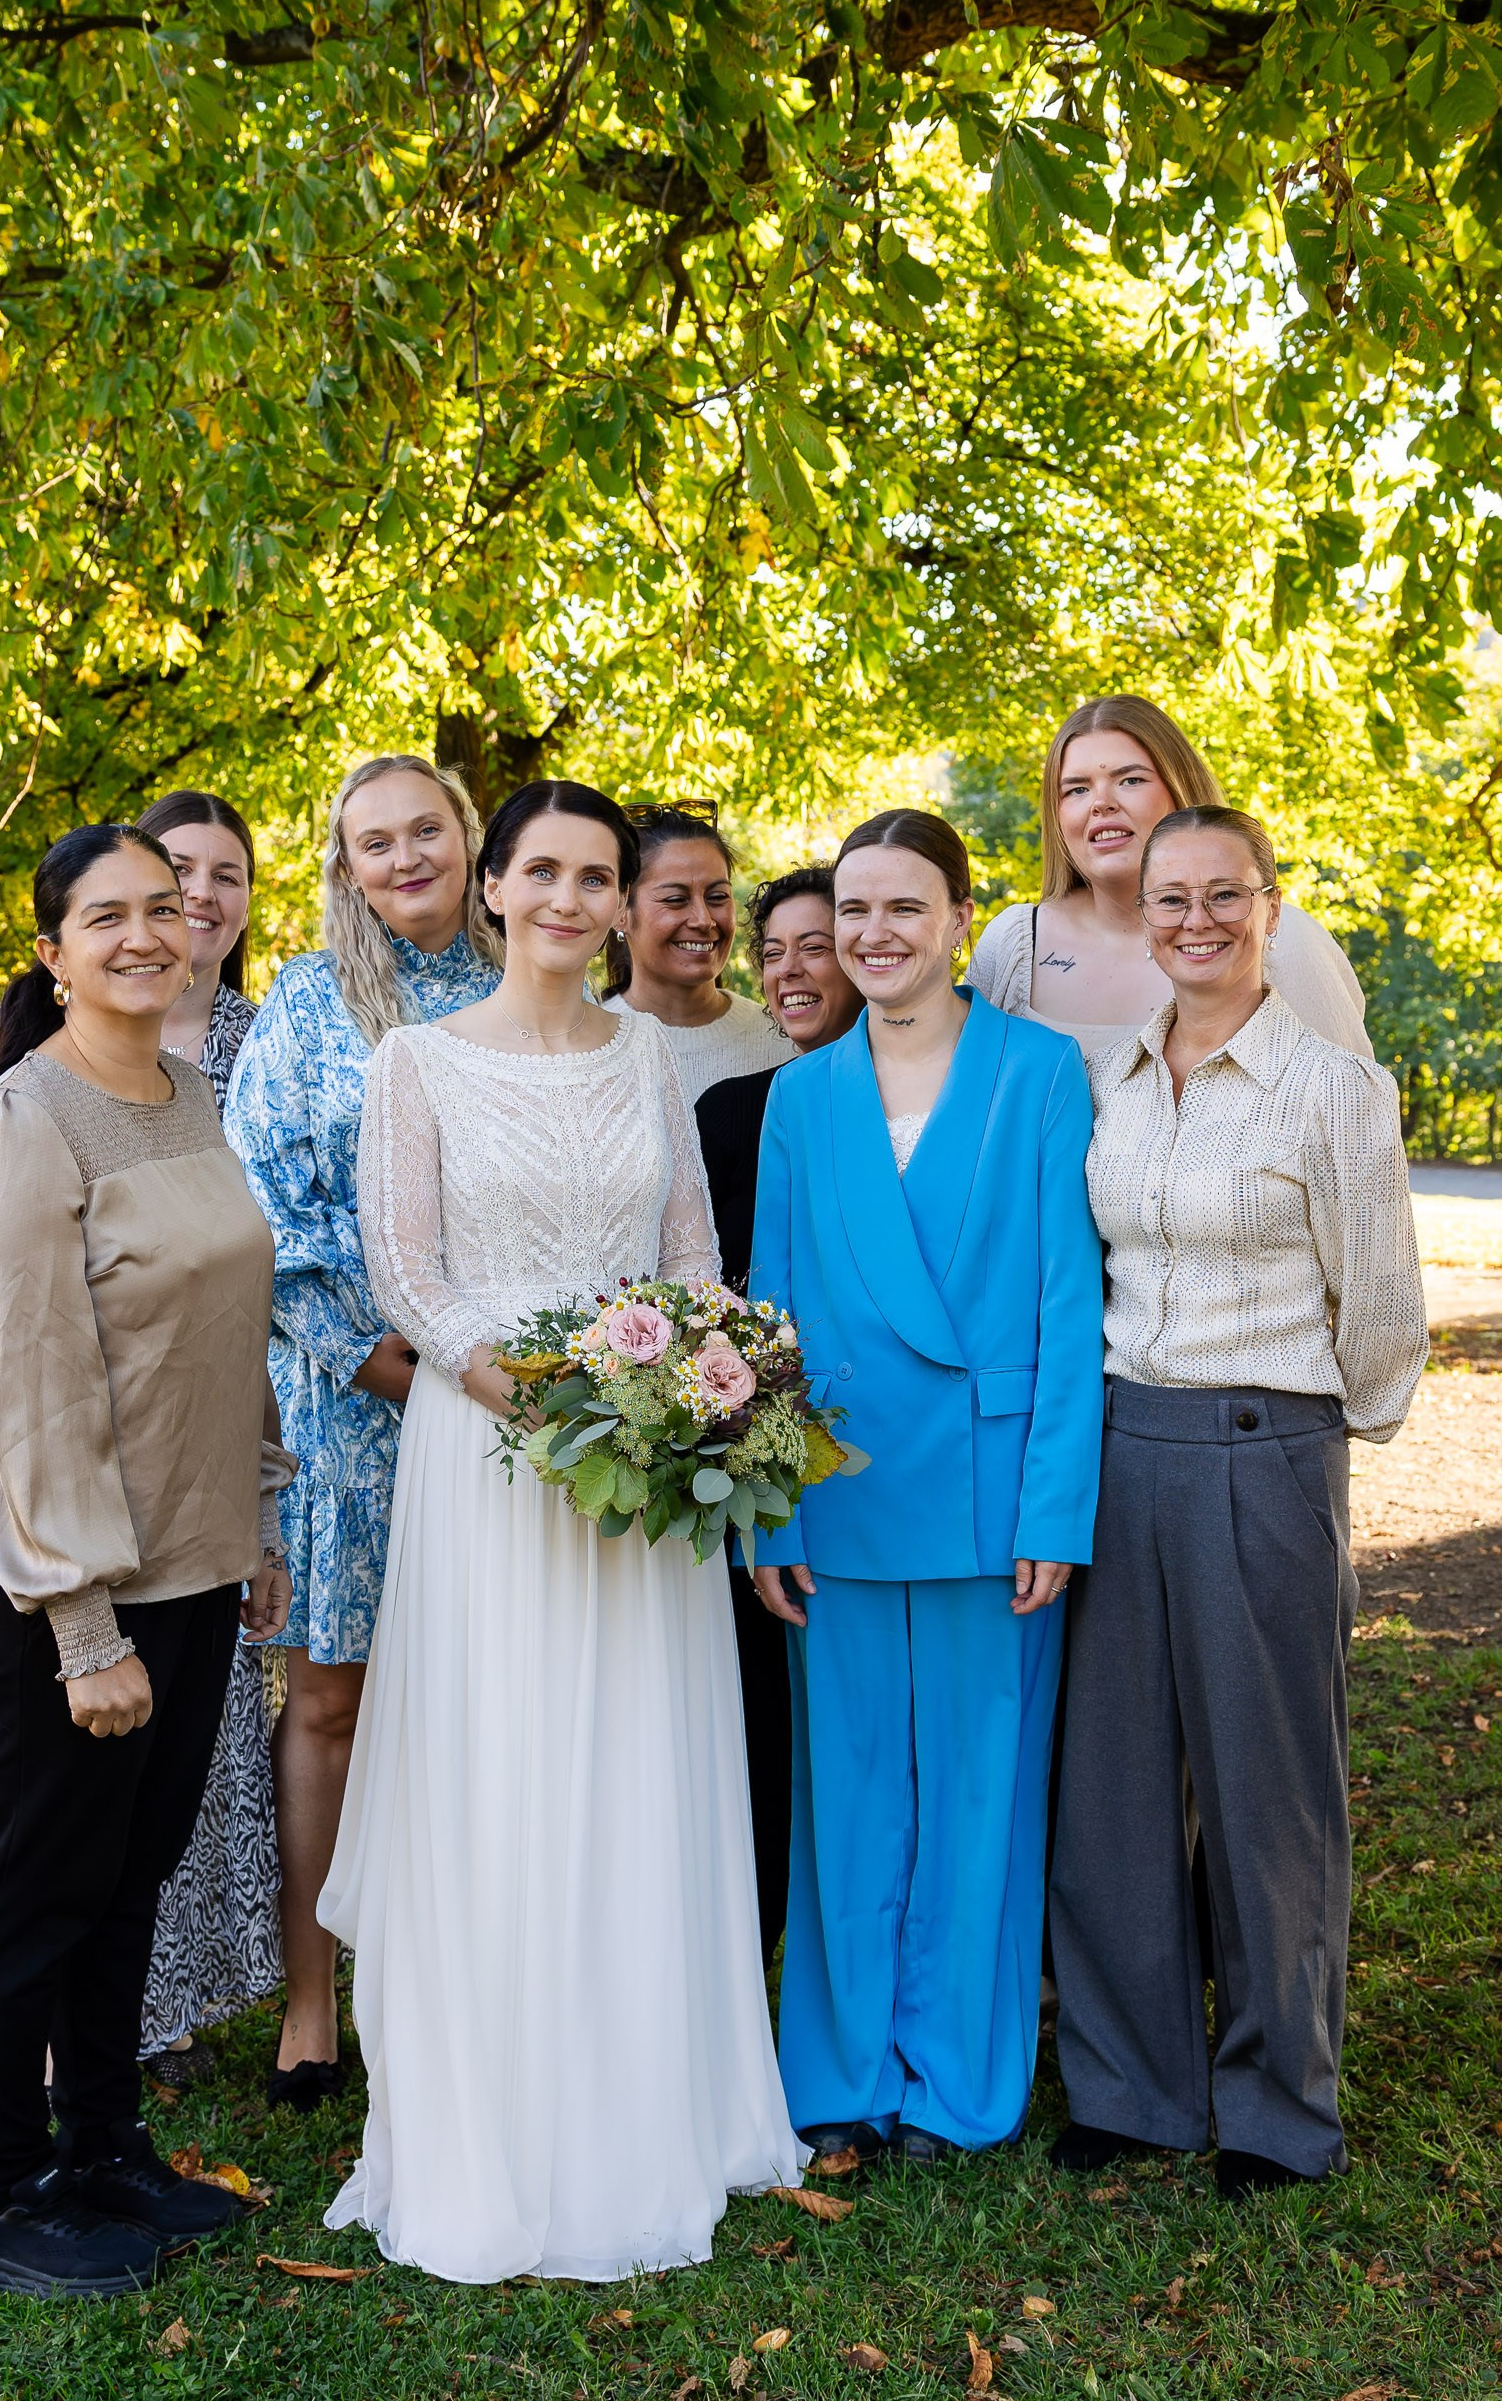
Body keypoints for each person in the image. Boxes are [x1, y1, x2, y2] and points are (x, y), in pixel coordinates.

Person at [322, 777, 802, 2282]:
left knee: (637, 1761)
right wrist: (511, 1384)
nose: (570, 900)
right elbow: (401, 1264)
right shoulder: (418, 1062)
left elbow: (690, 1252)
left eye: (598, 877)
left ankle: (649, 2091)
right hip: (490, 1464)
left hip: (641, 1476)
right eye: (544, 871)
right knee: (503, 1764)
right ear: (496, 889)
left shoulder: (649, 1056)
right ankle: (497, 2116)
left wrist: (677, 1385)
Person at [1048, 805, 1428, 2202]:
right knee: (1112, 1789)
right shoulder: (1116, 1080)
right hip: (1119, 1447)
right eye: (1169, 899)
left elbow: (1382, 1305)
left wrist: (1313, 1443)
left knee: (1272, 1792)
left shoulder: (1333, 1091)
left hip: (1266, 1447)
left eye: (1223, 895)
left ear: (1269, 906)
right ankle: (1130, 2087)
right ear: (1139, 914)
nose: (1194, 920)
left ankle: (1277, 2102)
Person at [0, 823, 294, 2298]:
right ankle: (5, 2190)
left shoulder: (192, 1093)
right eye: (109, 916)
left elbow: (224, 1334)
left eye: (170, 905)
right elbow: (33, 1383)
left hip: (194, 1563)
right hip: (57, 1583)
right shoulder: (26, 1122)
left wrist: (254, 1522)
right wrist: (83, 1625)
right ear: (53, 952)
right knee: (35, 1887)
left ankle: (104, 2147)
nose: (151, 932)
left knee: (128, 1872)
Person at [748, 810, 1106, 2163]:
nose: (875, 936)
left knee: (979, 1795)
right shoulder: (803, 1096)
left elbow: (1069, 1305)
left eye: (906, 908)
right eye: (854, 911)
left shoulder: (1041, 1071)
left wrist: (1054, 1509)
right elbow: (769, 1314)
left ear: (964, 918)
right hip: (835, 1489)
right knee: (843, 1798)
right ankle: (839, 2081)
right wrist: (769, 1511)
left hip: (991, 1489)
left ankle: (957, 2083)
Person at [224, 755, 501, 2111]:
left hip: (507, 1405)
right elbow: (268, 1203)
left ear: (466, 837)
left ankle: (469, 1974)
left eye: (424, 831)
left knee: (487, 1693)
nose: (404, 858)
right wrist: (383, 1361)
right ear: (344, 864)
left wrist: (487, 1368)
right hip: (359, 1402)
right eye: (372, 842)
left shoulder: (533, 982)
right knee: (331, 1697)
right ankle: (315, 1996)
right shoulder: (307, 998)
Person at [692, 870, 863, 1962]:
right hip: (759, 1441)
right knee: (762, 1697)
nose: (794, 970)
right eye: (779, 950)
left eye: (819, 946)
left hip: (882, 1443)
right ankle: (763, 1930)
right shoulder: (729, 1112)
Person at [968, 695, 1372, 1061]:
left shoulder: (1278, 937)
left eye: (1131, 780)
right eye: (1076, 789)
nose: (1101, 803)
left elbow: (1349, 1108)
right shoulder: (1014, 944)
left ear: (1180, 791)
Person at [602, 803, 797, 1105]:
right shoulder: (585, 1046)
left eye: (717, 897)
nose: (703, 919)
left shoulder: (785, 1039)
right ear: (619, 912)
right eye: (676, 900)